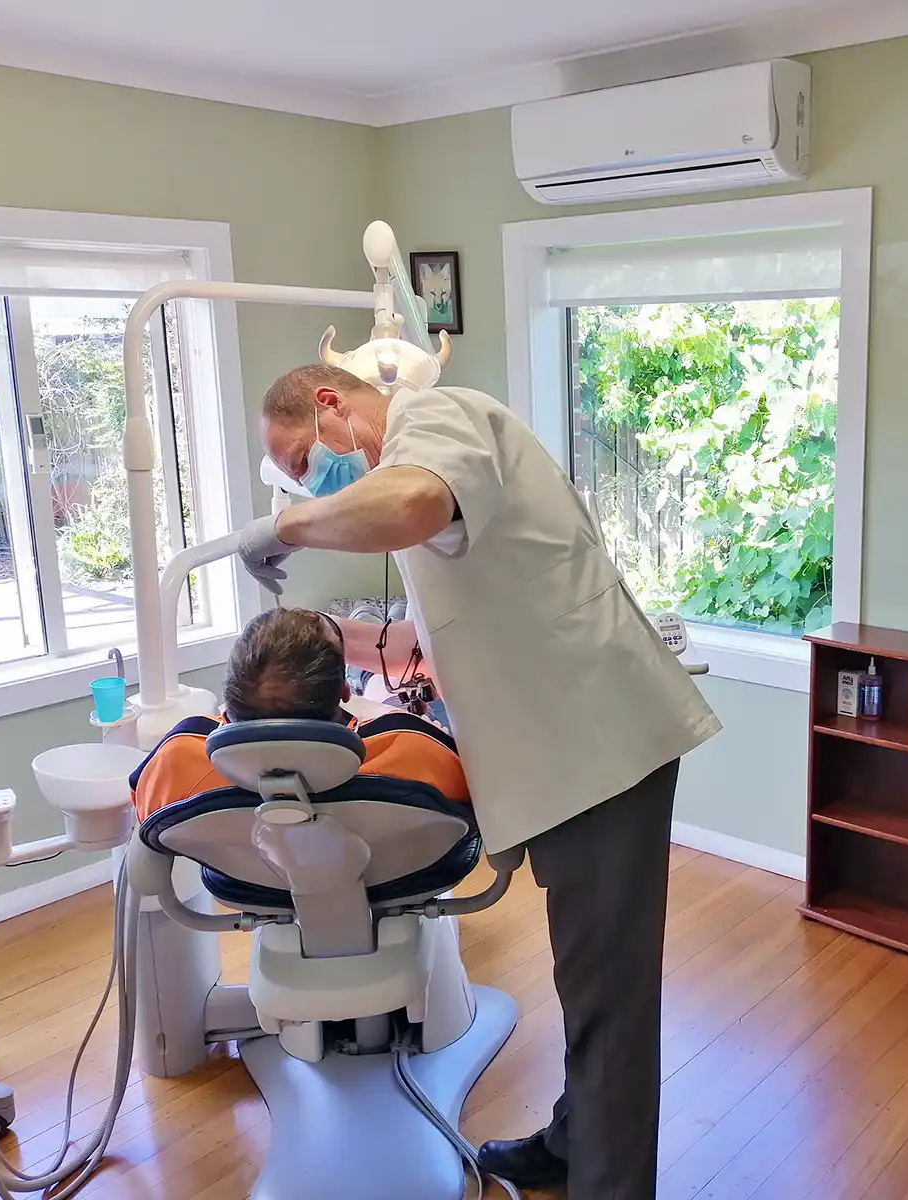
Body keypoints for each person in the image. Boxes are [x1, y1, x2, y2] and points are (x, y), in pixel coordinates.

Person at [238, 364, 721, 1198]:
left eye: (304, 463)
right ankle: (578, 1142)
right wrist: (330, 633)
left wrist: (289, 524)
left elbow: (410, 507)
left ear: (331, 406)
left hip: (600, 749)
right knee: (591, 984)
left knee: (610, 999)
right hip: (563, 749)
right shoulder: (418, 465)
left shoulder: (440, 419)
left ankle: (609, 1182)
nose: (311, 484)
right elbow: (458, 621)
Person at [130, 607, 467, 821]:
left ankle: (370, 656)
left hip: (253, 885)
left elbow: (144, 807)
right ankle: (371, 661)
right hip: (394, 878)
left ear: (228, 700)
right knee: (382, 688)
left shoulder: (179, 754)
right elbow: (471, 799)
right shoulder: (407, 744)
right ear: (344, 691)